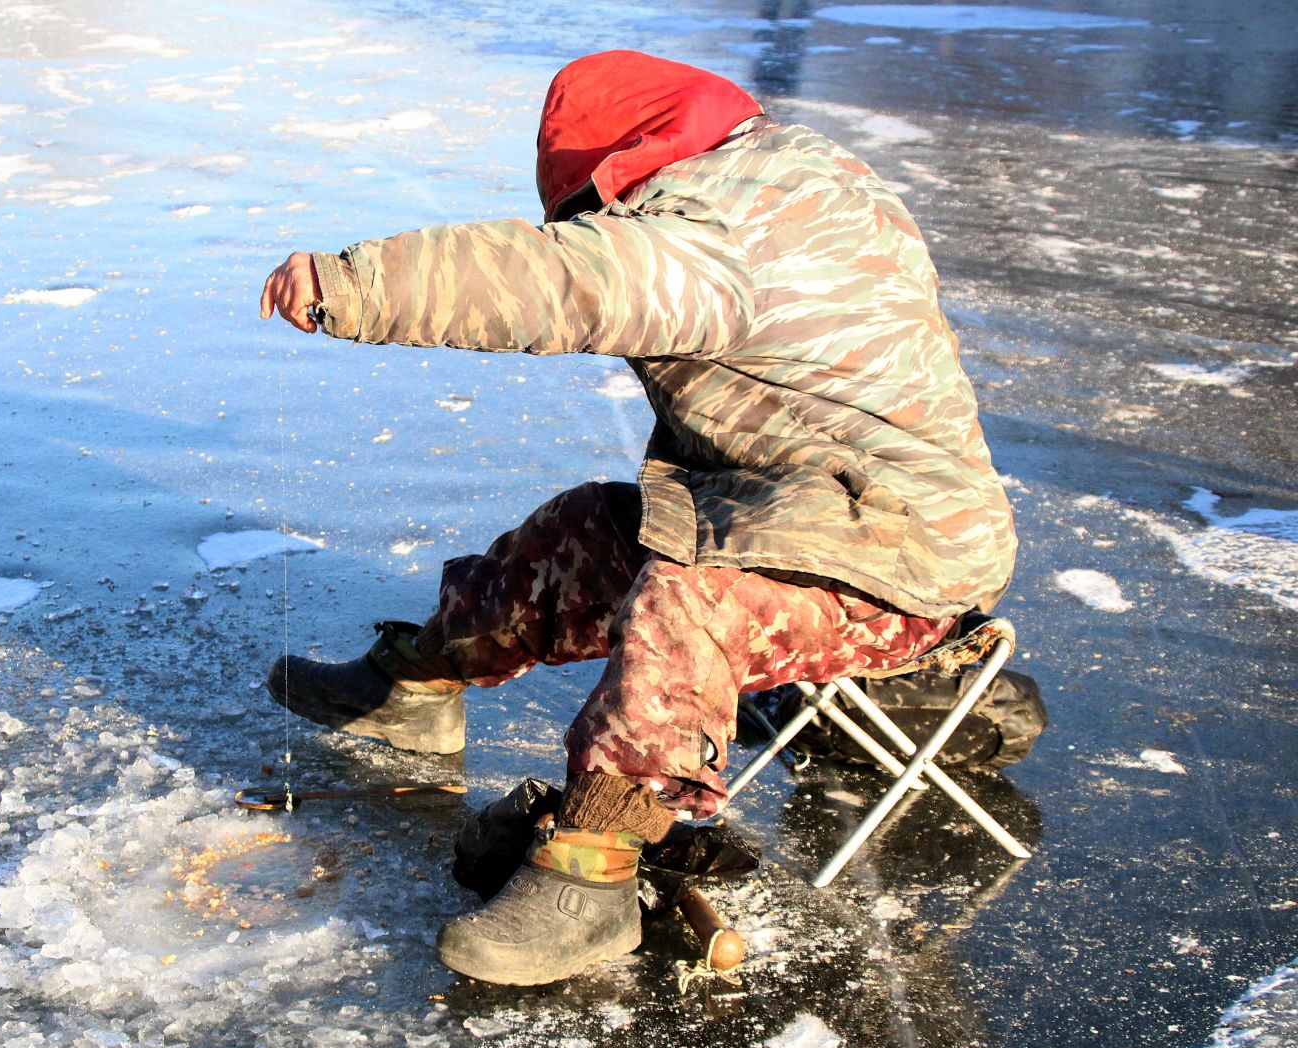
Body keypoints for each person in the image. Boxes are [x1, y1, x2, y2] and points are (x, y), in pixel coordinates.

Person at [257, 50, 1016, 986]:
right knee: (589, 528)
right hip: (793, 506)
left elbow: (556, 284)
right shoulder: (776, 173)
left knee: (684, 597)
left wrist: (353, 283)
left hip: (900, 556)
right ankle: (420, 683)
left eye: (587, 215)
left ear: (618, 177)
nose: (590, 230)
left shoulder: (712, 227)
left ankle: (593, 876)